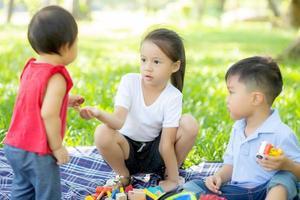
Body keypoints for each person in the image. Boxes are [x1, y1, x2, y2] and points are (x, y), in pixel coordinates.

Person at [80, 28, 199, 191]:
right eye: (143, 60)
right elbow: (118, 122)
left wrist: (172, 180)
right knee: (102, 132)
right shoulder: (129, 82)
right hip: (127, 149)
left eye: (156, 62)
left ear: (175, 66)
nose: (147, 67)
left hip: (156, 152)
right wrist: (98, 113)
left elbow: (166, 143)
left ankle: (168, 173)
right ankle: (124, 176)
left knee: (189, 123)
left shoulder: (173, 96)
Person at [183, 56, 300, 200]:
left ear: (256, 98)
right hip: (237, 191)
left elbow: (297, 173)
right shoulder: (238, 128)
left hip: (266, 191)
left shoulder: (281, 133)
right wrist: (218, 177)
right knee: (193, 185)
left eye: (231, 92)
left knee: (284, 180)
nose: (227, 99)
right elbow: (230, 165)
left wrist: (286, 164)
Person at [3, 6, 83, 200]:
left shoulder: (31, 68)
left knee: (23, 190)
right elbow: (48, 113)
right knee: (49, 194)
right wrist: (56, 147)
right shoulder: (57, 77)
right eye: (76, 41)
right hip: (37, 151)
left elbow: (34, 100)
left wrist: (66, 100)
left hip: (14, 146)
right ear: (66, 45)